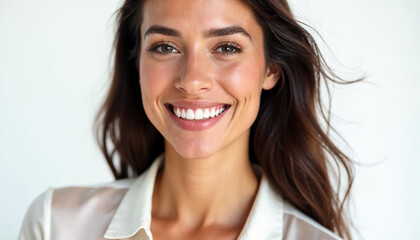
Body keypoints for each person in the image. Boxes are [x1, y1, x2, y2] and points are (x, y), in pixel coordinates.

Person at [19, 0, 357, 239]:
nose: (192, 80)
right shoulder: (55, 226)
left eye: (226, 47)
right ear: (136, 65)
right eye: (165, 47)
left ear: (271, 68)